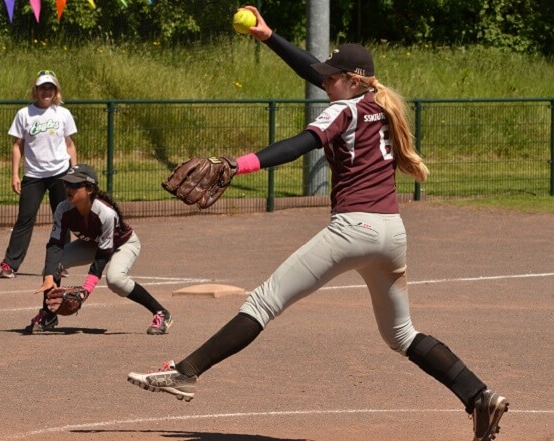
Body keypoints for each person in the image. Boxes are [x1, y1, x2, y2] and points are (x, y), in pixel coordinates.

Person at [127, 7, 508, 441]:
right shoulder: (378, 107)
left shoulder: (340, 112)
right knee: (402, 335)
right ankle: (479, 395)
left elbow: (298, 146)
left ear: (354, 81)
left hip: (353, 231)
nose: (324, 82)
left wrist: (238, 164)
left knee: (264, 302)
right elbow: (316, 71)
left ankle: (186, 371)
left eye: (333, 77)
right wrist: (269, 36)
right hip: (391, 233)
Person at [26, 163, 173, 336]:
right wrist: (49, 277)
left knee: (115, 280)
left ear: (89, 189)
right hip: (92, 243)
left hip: (123, 244)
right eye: (66, 184)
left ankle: (161, 313)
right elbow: (55, 244)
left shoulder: (105, 213)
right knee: (51, 266)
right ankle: (49, 315)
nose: (68, 188)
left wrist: (86, 290)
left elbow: (103, 255)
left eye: (74, 185)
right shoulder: (63, 209)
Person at [0, 70, 77, 278]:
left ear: (56, 91)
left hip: (60, 172)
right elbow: (18, 146)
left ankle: (62, 260)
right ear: (36, 91)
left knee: (62, 218)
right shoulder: (25, 114)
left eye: (50, 88)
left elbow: (69, 144)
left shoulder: (63, 114)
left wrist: (75, 173)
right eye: (43, 88)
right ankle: (10, 264)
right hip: (34, 175)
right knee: (25, 218)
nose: (46, 91)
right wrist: (15, 174)